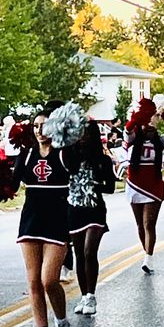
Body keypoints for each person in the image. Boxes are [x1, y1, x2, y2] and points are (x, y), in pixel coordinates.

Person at [14, 105, 72, 327]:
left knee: (49, 279)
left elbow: (80, 171)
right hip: (31, 220)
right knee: (33, 281)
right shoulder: (26, 155)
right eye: (36, 126)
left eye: (45, 125)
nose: (40, 131)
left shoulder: (64, 154)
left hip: (57, 219)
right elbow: (10, 184)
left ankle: (61, 322)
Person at [125, 97, 164, 274]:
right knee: (140, 224)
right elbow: (127, 129)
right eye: (147, 122)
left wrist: (163, 115)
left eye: (152, 121)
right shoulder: (133, 138)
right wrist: (139, 116)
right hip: (135, 184)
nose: (150, 125)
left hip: (153, 186)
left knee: (149, 223)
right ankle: (146, 252)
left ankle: (149, 257)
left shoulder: (159, 141)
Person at [68, 120, 116, 316]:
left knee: (89, 252)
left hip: (95, 210)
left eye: (87, 134)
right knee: (79, 253)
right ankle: (83, 295)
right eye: (80, 134)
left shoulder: (103, 160)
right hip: (74, 210)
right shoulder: (70, 159)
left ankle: (91, 295)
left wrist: (95, 186)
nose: (83, 137)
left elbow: (111, 187)